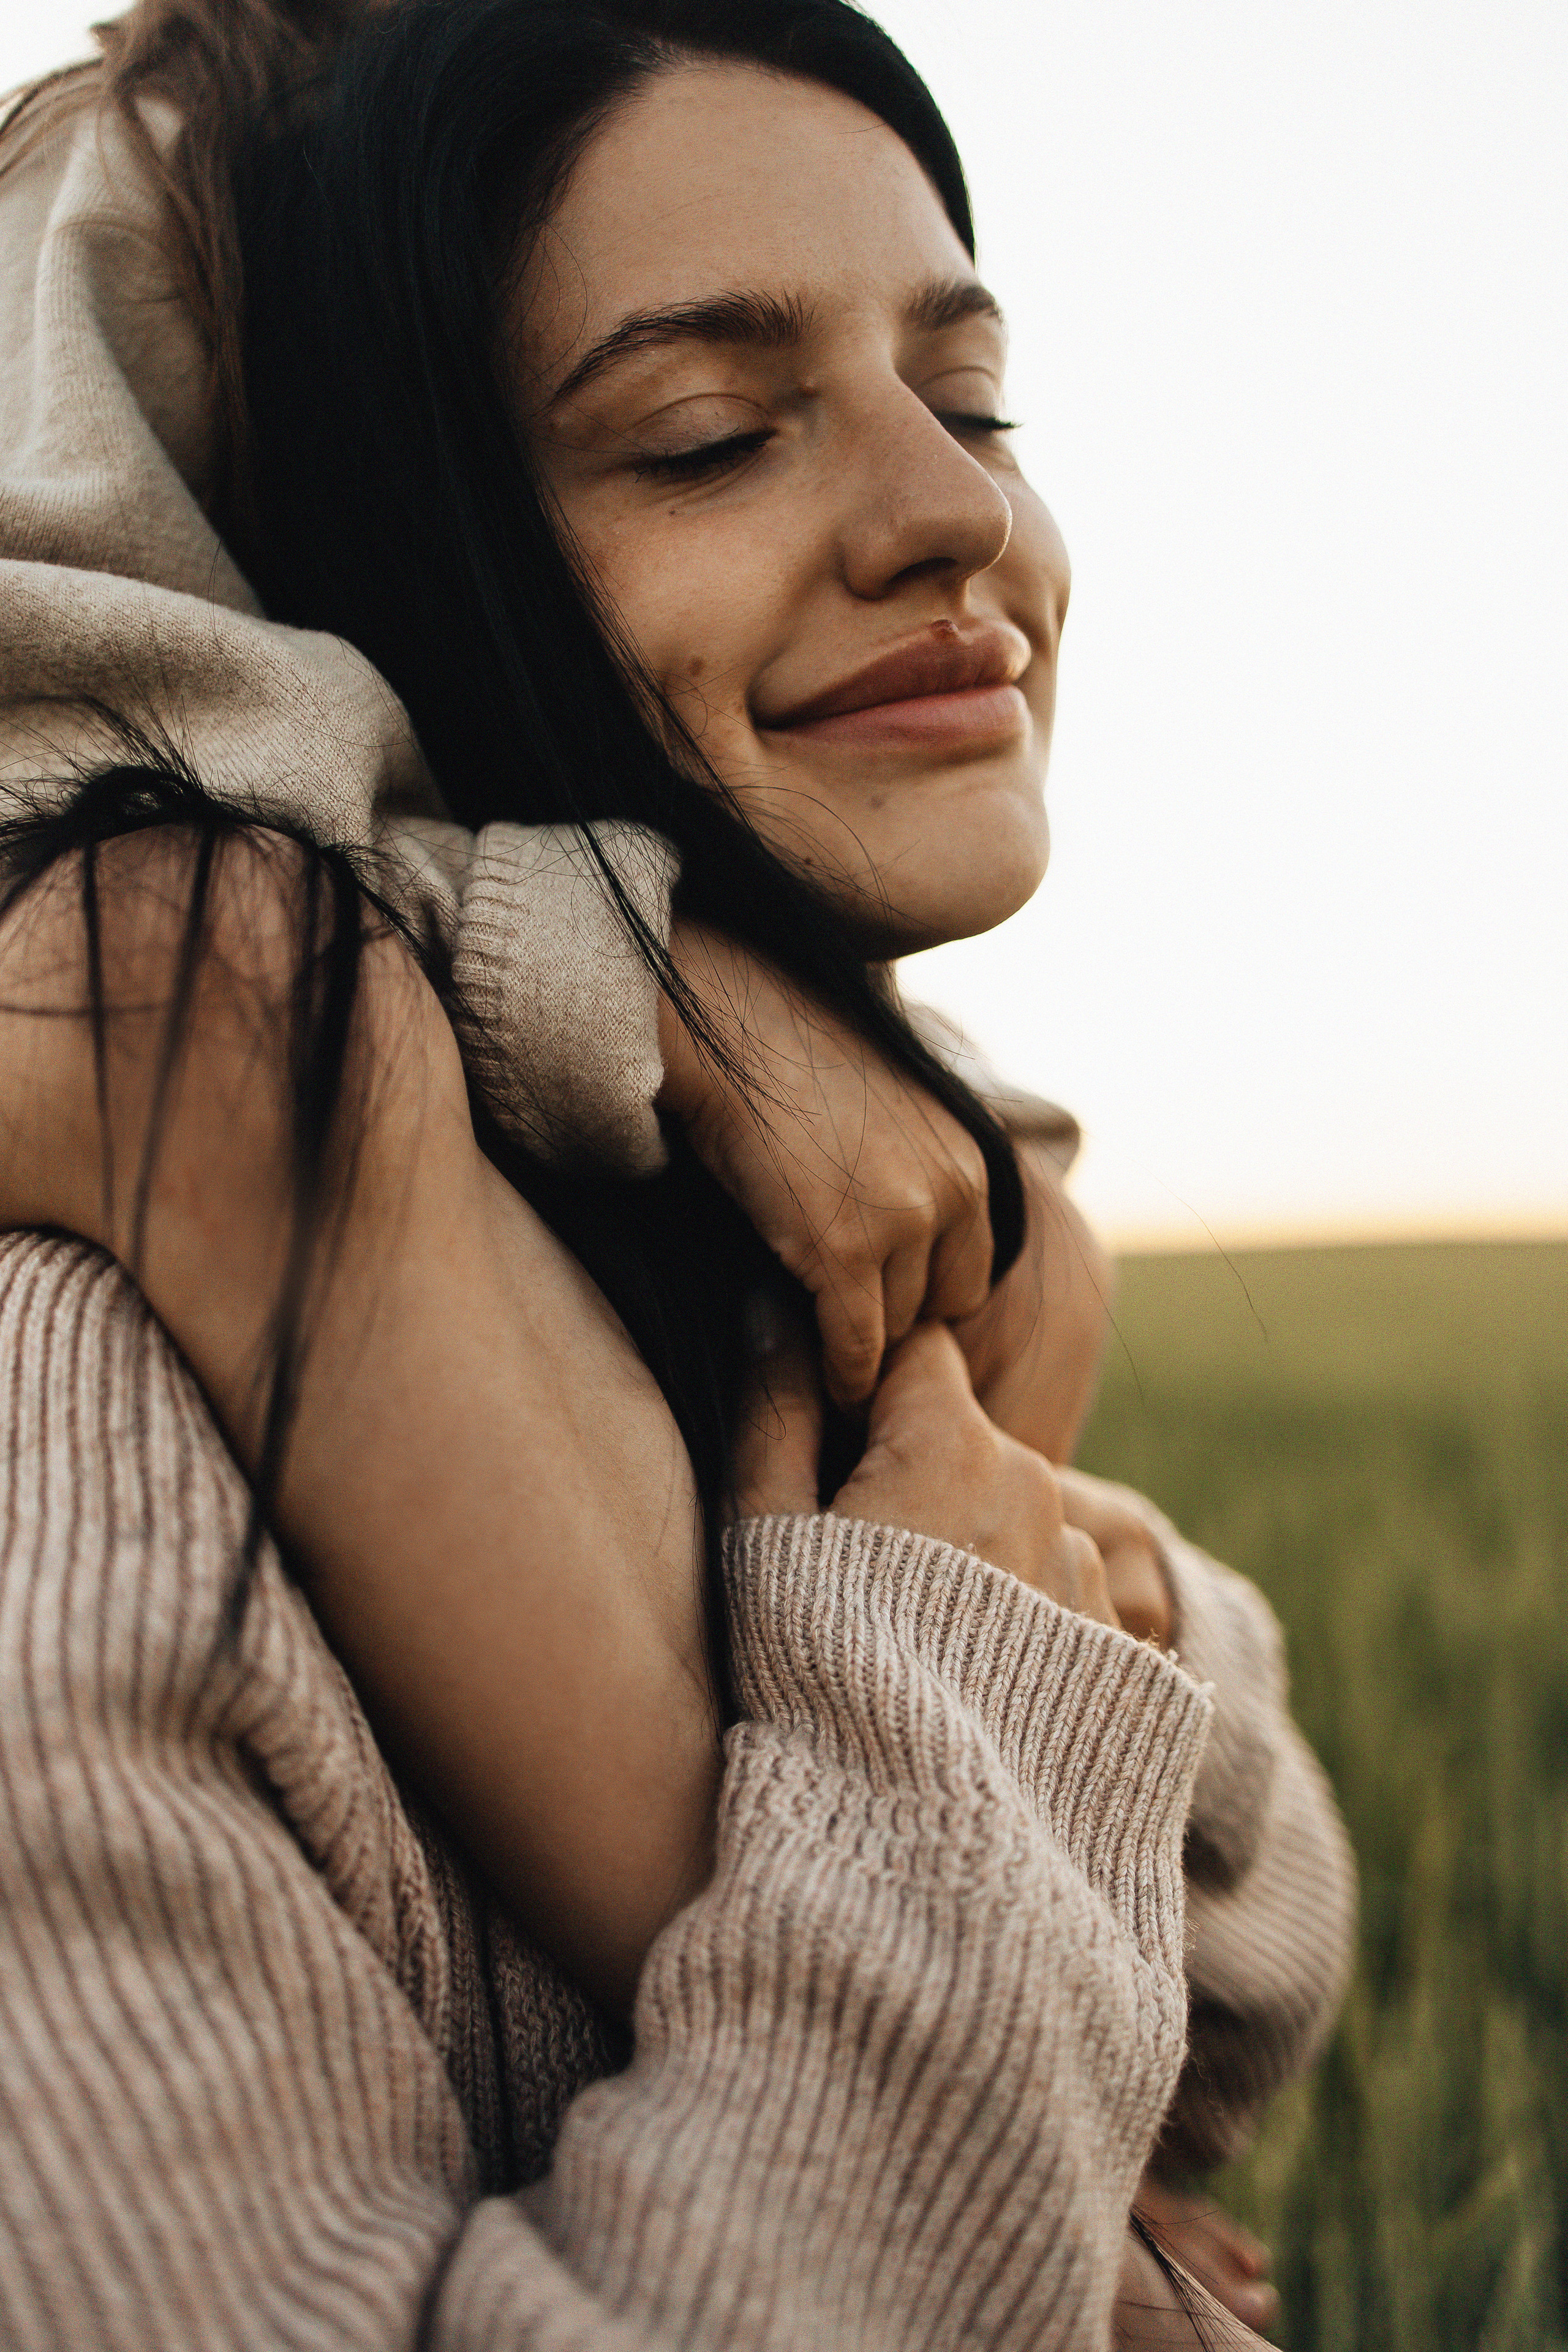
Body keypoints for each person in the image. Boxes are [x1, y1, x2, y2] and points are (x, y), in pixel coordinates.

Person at [0, 2, 1355, 2343]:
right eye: (708, 435)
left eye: (976, 399)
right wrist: (945, 1768)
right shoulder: (85, 1419)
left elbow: (1241, 1996)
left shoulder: (815, 1229)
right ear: (377, 547)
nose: (959, 512)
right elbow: (77, 716)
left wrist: (1088, 1604)